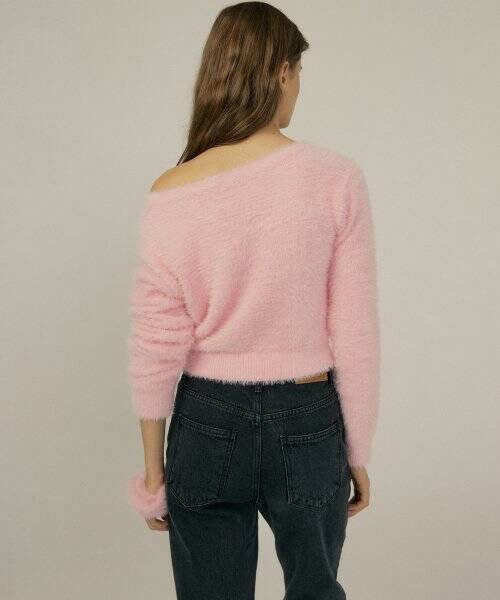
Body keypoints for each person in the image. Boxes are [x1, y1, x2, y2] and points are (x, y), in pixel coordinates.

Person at [126, 2, 381, 599]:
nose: (298, 88)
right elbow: (355, 329)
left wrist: (153, 472)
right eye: (299, 72)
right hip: (308, 416)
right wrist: (357, 449)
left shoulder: (171, 190)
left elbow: (155, 341)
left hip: (205, 420)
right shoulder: (335, 178)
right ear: (282, 71)